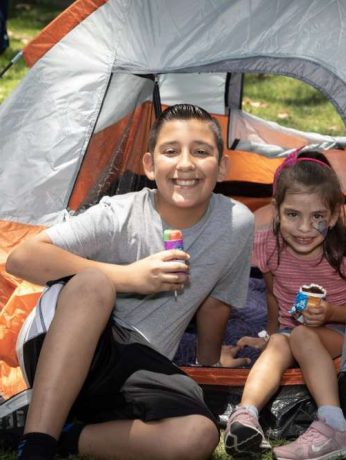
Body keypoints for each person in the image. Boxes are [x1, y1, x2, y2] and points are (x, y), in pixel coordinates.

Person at [6, 103, 254, 460]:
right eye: (171, 151)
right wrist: (130, 278)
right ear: (150, 166)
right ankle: (37, 444)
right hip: (75, 343)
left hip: (142, 368)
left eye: (201, 152)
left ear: (223, 166)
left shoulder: (236, 223)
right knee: (94, 283)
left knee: (198, 434)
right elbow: (23, 257)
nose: (186, 164)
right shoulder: (119, 213)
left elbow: (215, 301)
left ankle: (70, 437)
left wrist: (210, 362)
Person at [224, 148, 346, 460]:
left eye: (318, 217)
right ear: (276, 210)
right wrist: (268, 336)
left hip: (341, 330)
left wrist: (331, 313)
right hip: (292, 330)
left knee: (298, 336)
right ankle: (245, 416)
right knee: (279, 343)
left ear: (336, 214)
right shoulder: (268, 245)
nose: (303, 229)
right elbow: (273, 297)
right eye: (293, 215)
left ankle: (334, 425)